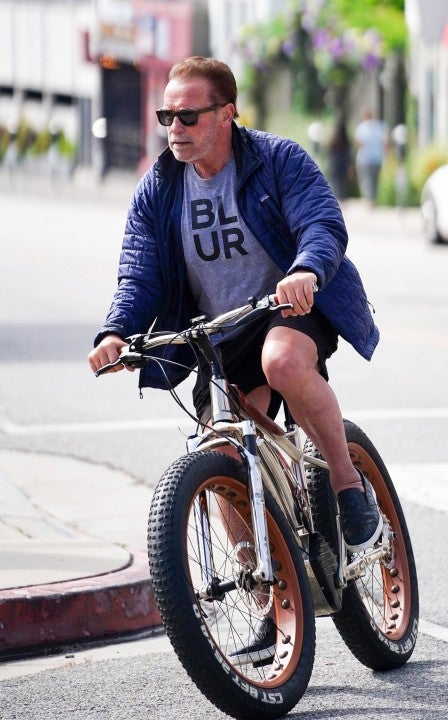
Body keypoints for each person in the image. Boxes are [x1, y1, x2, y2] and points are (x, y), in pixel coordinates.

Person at [88, 56, 382, 663]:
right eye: (167, 116)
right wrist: (117, 331)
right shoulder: (160, 187)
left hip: (287, 305)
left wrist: (307, 269)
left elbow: (321, 223)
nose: (175, 128)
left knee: (282, 364)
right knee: (221, 453)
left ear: (227, 114)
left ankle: (349, 487)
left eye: (188, 115)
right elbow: (139, 271)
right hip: (218, 333)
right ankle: (266, 597)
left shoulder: (276, 159)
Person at [354, 108, 388, 206]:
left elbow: (359, 144)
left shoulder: (362, 128)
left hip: (366, 158)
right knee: (374, 180)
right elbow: (384, 143)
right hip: (377, 157)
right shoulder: (379, 126)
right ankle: (373, 199)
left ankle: (370, 199)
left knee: (368, 179)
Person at [328, 116, 351, 201]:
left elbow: (329, 151)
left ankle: (336, 197)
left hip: (334, 162)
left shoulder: (333, 140)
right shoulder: (346, 140)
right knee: (342, 181)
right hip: (343, 162)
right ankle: (342, 196)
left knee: (335, 180)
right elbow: (348, 153)